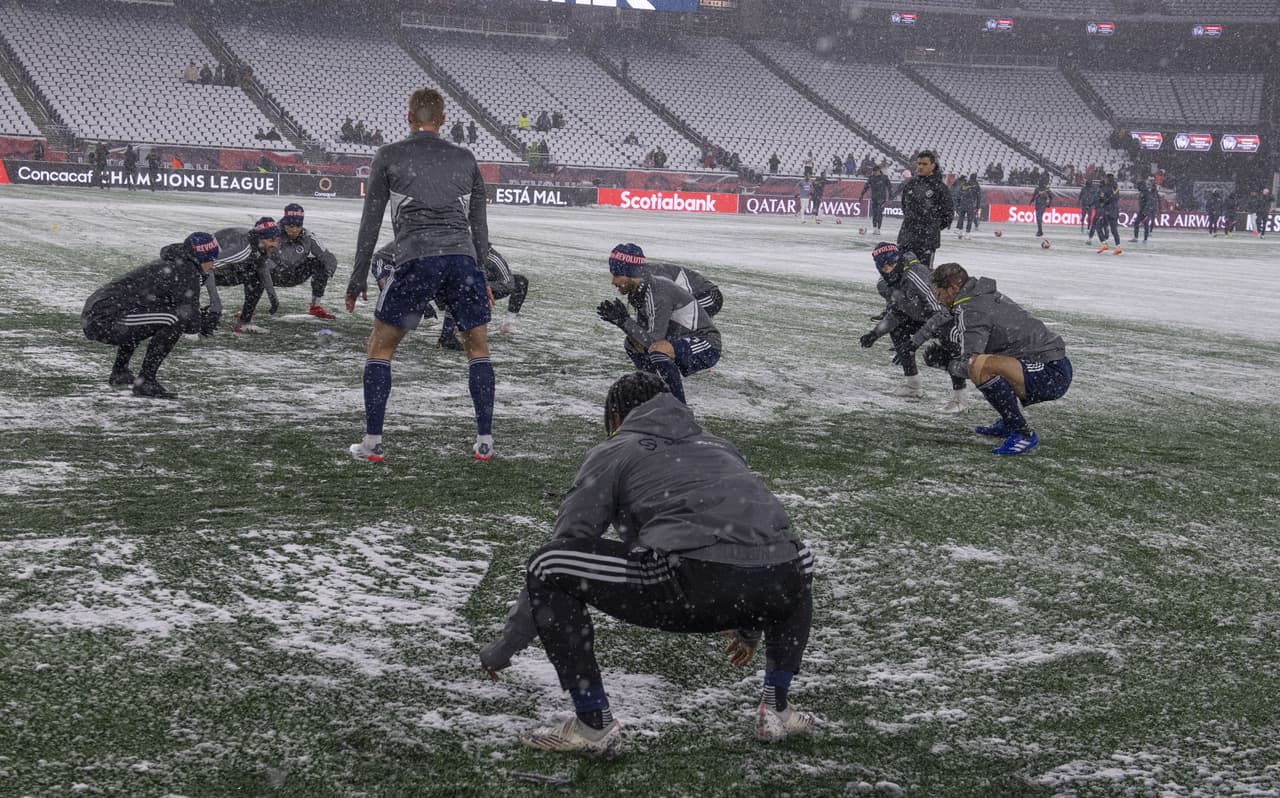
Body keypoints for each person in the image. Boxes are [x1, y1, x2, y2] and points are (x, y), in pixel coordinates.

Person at [479, 371, 817, 754]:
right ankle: (777, 707)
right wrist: (748, 623)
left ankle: (593, 725)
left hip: (688, 585)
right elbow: (753, 537)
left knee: (548, 563)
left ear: (617, 416)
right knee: (797, 557)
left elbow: (568, 543)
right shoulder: (721, 446)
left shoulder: (616, 449)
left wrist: (502, 648)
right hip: (777, 585)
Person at [344, 87, 492, 463]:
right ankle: (484, 442)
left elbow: (371, 221)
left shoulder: (390, 154)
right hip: (462, 259)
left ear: (409, 117)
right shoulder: (466, 157)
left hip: (417, 257)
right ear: (443, 121)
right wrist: (484, 277)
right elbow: (479, 224)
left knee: (381, 346)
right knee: (477, 348)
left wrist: (358, 276)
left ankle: (373, 443)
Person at [930, 263, 1072, 456]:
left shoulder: (971, 308)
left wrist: (947, 364)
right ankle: (1008, 423)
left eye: (939, 293)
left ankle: (1022, 433)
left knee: (978, 365)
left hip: (1050, 373)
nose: (938, 300)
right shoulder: (979, 297)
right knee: (987, 362)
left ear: (953, 288)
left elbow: (972, 363)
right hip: (1051, 365)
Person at [81, 233, 221, 399]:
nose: (213, 265)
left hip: (98, 314)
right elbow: (189, 322)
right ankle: (146, 381)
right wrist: (205, 321)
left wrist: (196, 316)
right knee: (173, 320)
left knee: (153, 316)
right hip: (104, 319)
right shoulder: (186, 270)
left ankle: (120, 372)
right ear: (201, 257)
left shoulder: (175, 264)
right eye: (212, 260)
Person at [596, 244, 720, 404]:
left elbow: (654, 342)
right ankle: (655, 396)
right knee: (632, 345)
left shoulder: (656, 291)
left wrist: (624, 322)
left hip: (707, 336)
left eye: (617, 274)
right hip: (680, 333)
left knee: (658, 351)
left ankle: (678, 411)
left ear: (631, 273)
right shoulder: (639, 288)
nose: (613, 281)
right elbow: (643, 340)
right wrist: (623, 323)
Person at [860, 242, 965, 409]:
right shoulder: (884, 285)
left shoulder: (916, 275)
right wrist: (875, 333)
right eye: (885, 266)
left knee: (948, 339)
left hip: (949, 318)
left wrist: (914, 342)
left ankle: (960, 399)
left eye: (892, 263)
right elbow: (897, 312)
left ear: (899, 260)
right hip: (925, 317)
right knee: (897, 329)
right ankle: (912, 385)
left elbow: (942, 313)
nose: (889, 269)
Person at [436, 245, 528, 347]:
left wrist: (483, 287)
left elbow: (508, 284)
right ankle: (453, 325)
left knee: (521, 282)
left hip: (489, 288)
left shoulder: (491, 258)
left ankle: (508, 324)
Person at [210, 217, 282, 334]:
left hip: (221, 266)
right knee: (255, 275)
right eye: (271, 240)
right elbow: (204, 268)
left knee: (258, 277)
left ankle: (244, 322)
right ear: (260, 238)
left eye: (277, 240)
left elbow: (262, 267)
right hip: (207, 267)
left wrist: (272, 296)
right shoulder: (242, 249)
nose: (275, 244)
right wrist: (215, 303)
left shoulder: (258, 245)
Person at [270, 203, 339, 319]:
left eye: (298, 226)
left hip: (294, 275)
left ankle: (315, 307)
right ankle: (249, 308)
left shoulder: (308, 237)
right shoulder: (271, 235)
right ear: (284, 223)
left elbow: (328, 257)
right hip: (273, 275)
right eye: (290, 226)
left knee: (320, 263)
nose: (294, 230)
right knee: (257, 267)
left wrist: (328, 271)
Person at [626, 243, 723, 317]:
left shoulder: (652, 274)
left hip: (708, 295)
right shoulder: (640, 278)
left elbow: (667, 295)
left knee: (677, 321)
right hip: (693, 296)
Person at [896, 150, 953, 267]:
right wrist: (912, 224)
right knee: (902, 273)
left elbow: (948, 214)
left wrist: (932, 227)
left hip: (926, 241)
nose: (920, 167)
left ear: (933, 166)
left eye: (924, 164)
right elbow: (905, 207)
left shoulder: (940, 188)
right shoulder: (910, 184)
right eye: (919, 164)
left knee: (924, 275)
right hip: (906, 238)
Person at [1091, 173, 1121, 253]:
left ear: (1107, 179)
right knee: (1114, 230)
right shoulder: (1116, 187)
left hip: (1107, 210)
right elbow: (1116, 198)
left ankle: (1104, 243)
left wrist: (1102, 201)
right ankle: (1118, 247)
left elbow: (1101, 199)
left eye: (1105, 178)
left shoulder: (1104, 188)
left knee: (1098, 226)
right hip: (1115, 210)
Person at [860, 165, 891, 235]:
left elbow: (890, 188)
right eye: (873, 172)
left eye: (874, 172)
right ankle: (874, 228)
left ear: (878, 171)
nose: (873, 173)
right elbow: (866, 186)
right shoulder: (871, 178)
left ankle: (878, 229)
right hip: (874, 198)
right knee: (874, 214)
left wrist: (890, 198)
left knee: (879, 213)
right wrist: (861, 195)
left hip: (882, 199)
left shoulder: (884, 178)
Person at [1131, 178, 1157, 243]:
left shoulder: (1146, 193)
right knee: (1136, 222)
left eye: (1138, 185)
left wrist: (1146, 212)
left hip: (1146, 211)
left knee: (1145, 225)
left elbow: (1149, 202)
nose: (1137, 187)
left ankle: (1145, 239)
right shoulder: (1142, 192)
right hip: (1142, 210)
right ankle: (1136, 238)